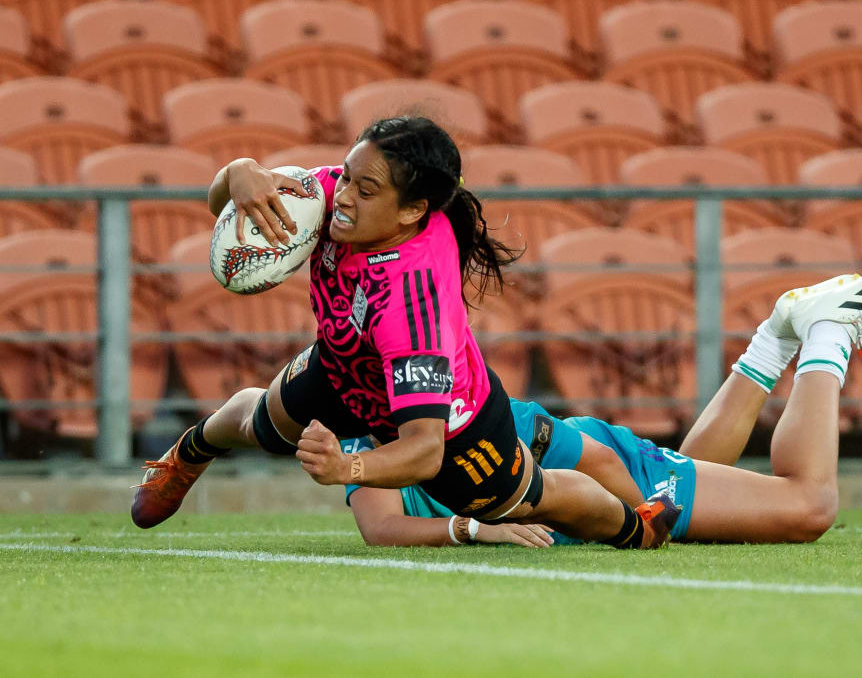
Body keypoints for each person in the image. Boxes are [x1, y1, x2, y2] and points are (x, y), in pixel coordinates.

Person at [131, 116, 679, 549]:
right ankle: (186, 455)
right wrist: (239, 172)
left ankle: (640, 527)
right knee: (260, 425)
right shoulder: (336, 196)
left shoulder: (412, 302)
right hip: (348, 366)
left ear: (412, 210)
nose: (341, 195)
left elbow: (422, 451)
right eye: (345, 174)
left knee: (532, 498)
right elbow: (228, 214)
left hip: (454, 421)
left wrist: (349, 467)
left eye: (363, 189)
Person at [341, 269, 862, 547]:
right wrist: (471, 530)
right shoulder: (358, 420)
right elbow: (381, 527)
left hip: (609, 466)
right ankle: (776, 335)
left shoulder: (479, 414)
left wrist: (642, 521)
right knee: (692, 474)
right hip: (591, 485)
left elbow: (589, 458)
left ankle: (827, 333)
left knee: (809, 508)